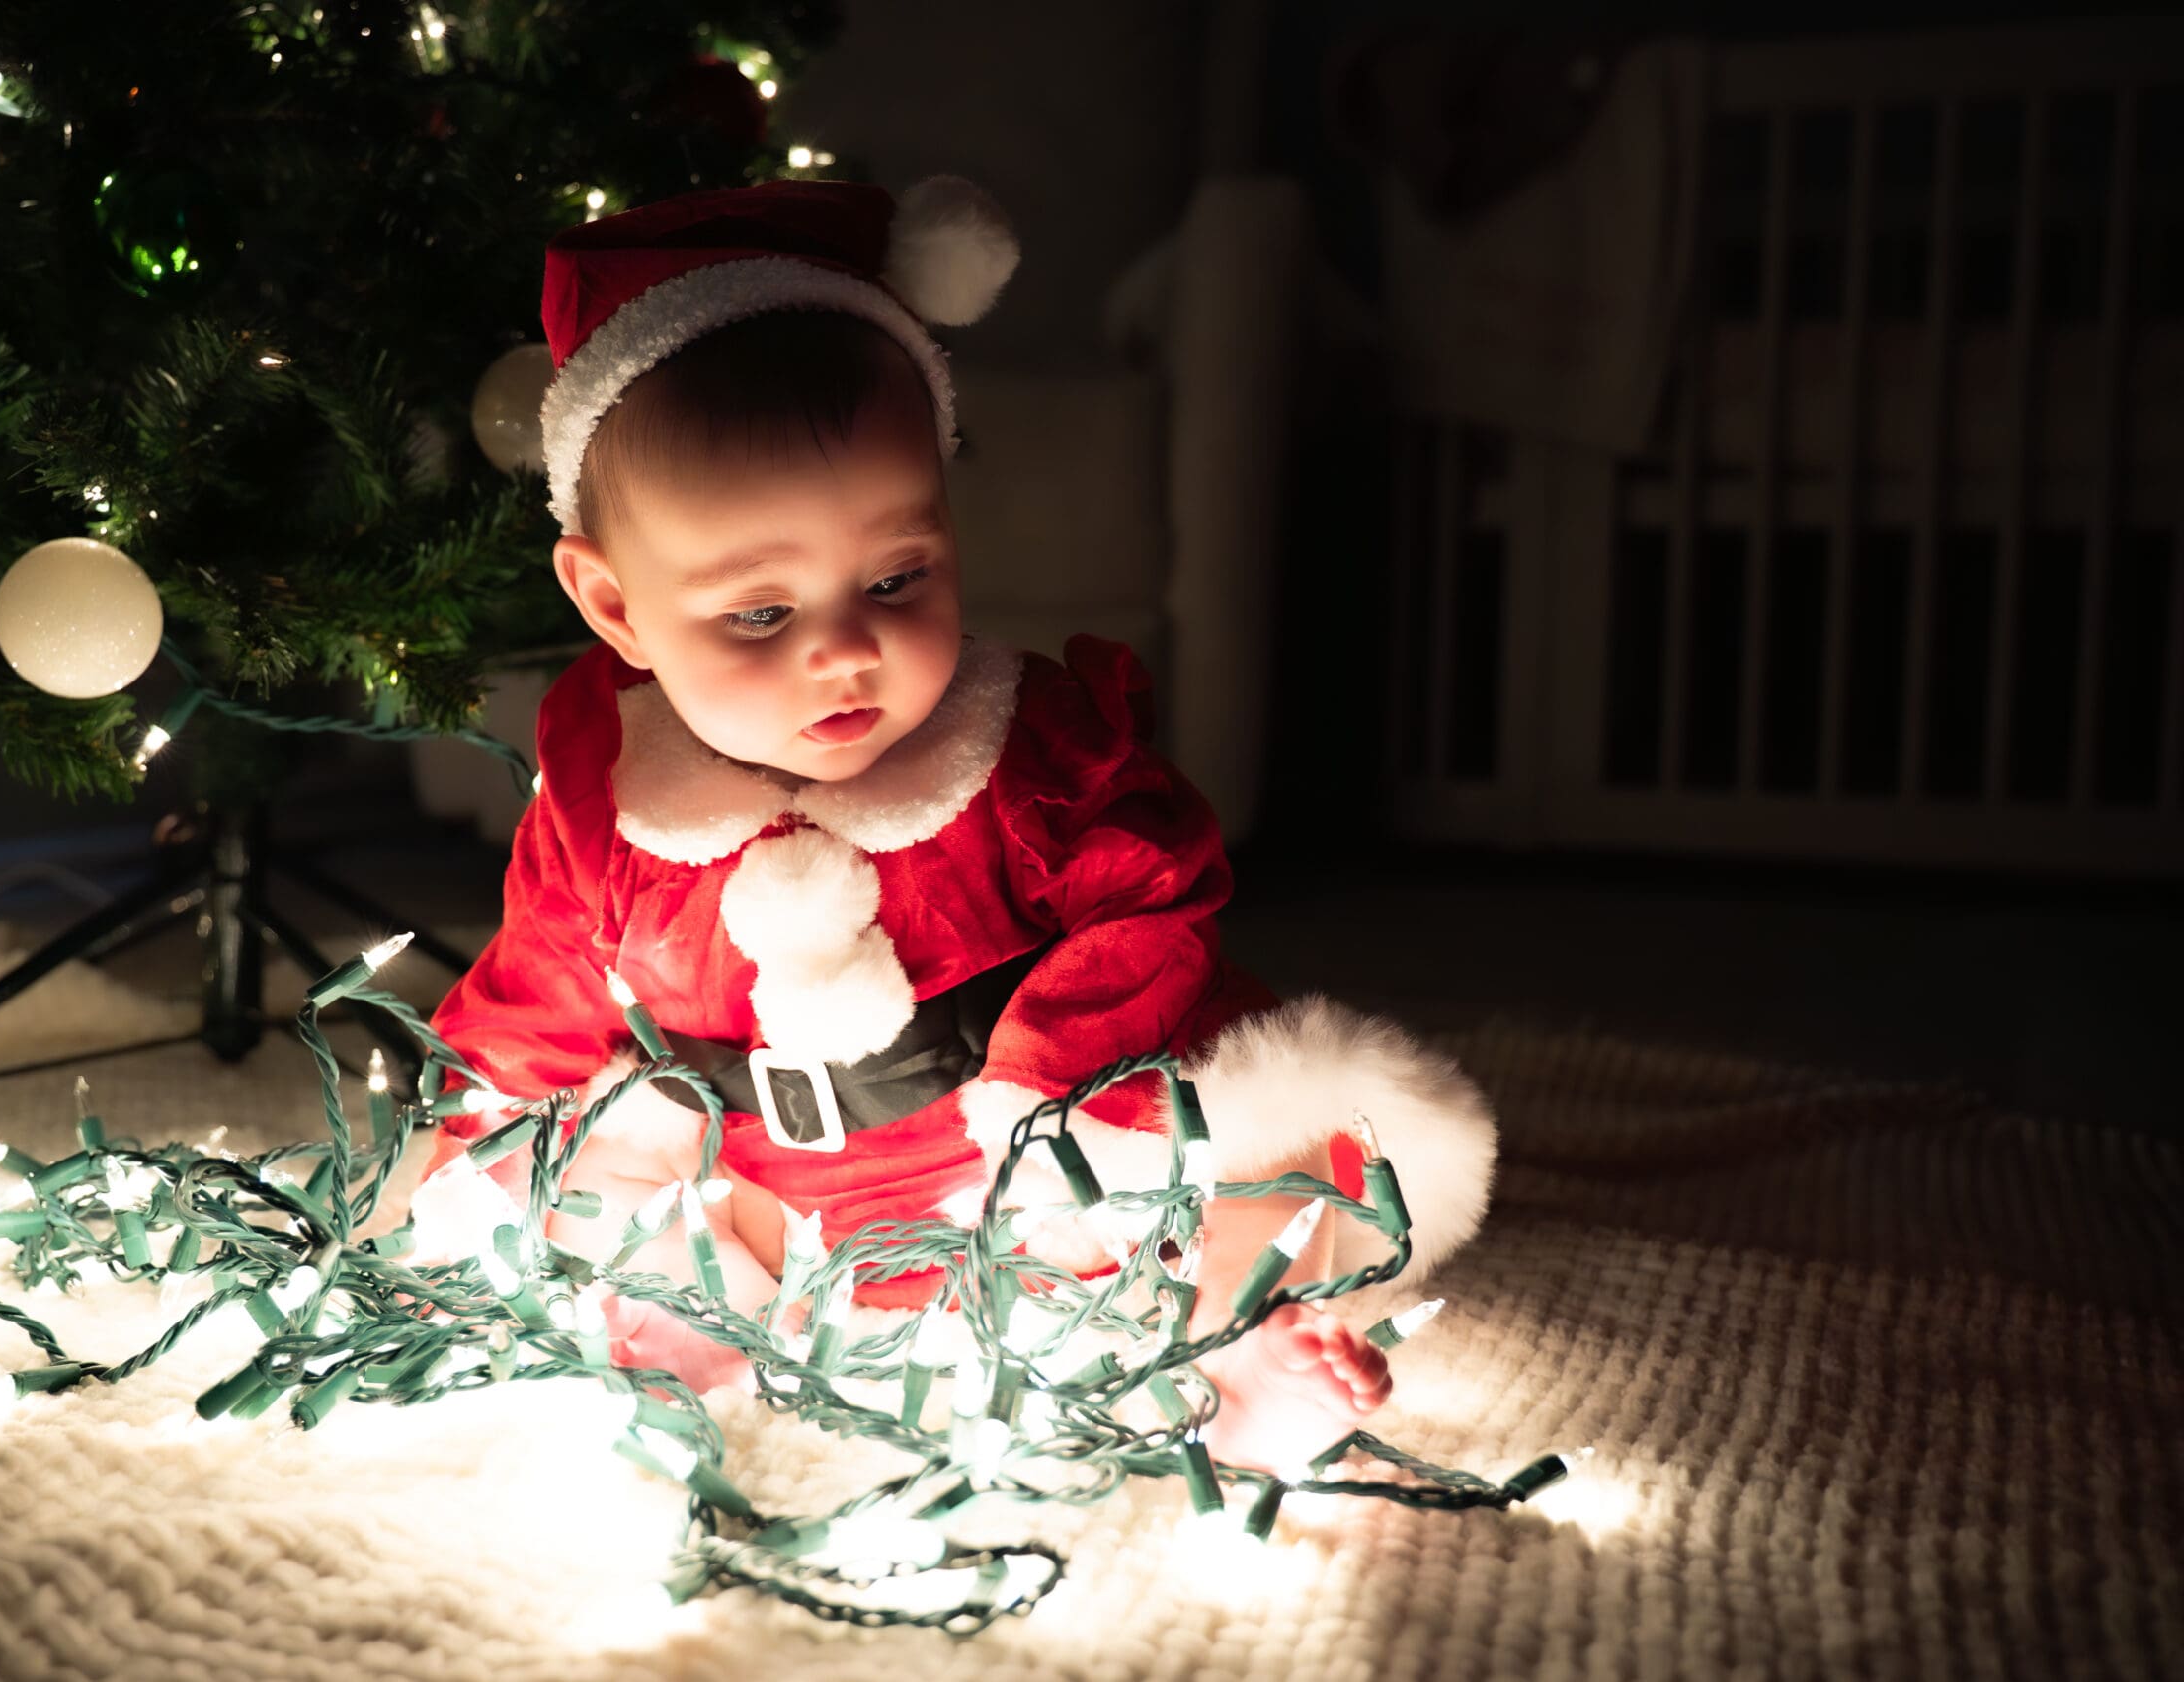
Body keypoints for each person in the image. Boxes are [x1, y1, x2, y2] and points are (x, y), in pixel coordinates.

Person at [416, 177, 1498, 1474]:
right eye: (759, 614)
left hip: (1039, 1160)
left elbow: (1153, 896)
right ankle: (680, 1336)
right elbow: (542, 979)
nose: (844, 652)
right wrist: (469, 1119)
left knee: (1263, 1164)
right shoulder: (610, 806)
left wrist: (1054, 1101)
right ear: (615, 607)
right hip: (778, 1179)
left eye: (894, 579)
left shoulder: (1028, 756)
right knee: (596, 1210)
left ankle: (1238, 1341)